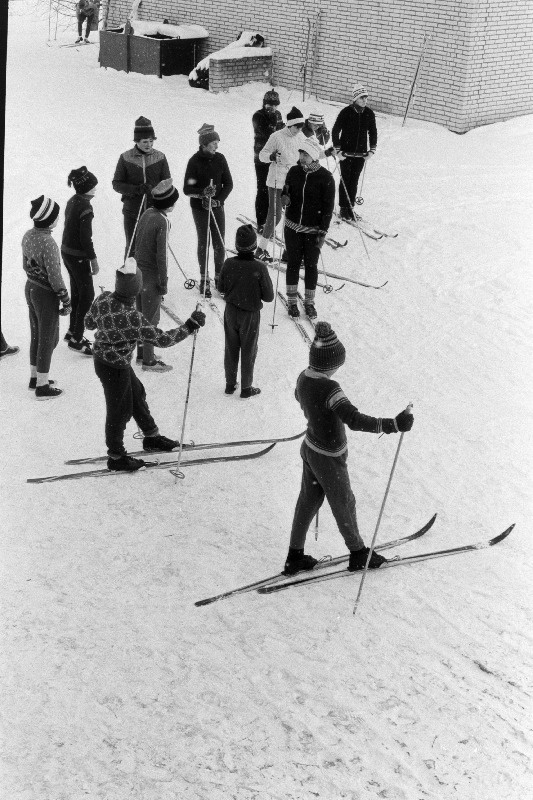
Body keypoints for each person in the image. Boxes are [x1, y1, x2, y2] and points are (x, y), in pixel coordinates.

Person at [283, 321, 414, 575]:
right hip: (328, 457)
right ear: (331, 363)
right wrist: (393, 424)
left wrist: (315, 415)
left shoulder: (303, 377)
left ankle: (294, 555)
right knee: (343, 501)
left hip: (310, 447)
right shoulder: (330, 388)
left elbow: (299, 398)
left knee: (307, 502)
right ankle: (358, 553)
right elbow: (353, 419)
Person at [84, 258, 206, 472]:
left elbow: (88, 323)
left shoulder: (103, 299)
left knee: (136, 393)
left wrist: (101, 313)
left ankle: (151, 436)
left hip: (105, 361)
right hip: (115, 366)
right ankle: (116, 456)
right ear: (137, 289)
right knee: (119, 410)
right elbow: (163, 340)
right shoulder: (133, 318)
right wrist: (190, 325)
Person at [22, 196, 71, 400]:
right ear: (50, 220)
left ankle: (35, 377)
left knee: (36, 333)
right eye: (56, 216)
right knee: (47, 338)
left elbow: (26, 264)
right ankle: (42, 386)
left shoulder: (27, 236)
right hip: (45, 293)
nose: (58, 219)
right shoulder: (48, 242)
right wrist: (65, 298)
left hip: (31, 287)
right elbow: (55, 276)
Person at [281, 138, 335, 319]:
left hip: (313, 231)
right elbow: (285, 190)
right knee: (293, 263)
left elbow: (328, 208)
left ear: (313, 156)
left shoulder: (326, 178)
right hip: (292, 227)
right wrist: (284, 197)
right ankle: (292, 302)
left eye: (305, 154)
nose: (301, 157)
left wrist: (323, 231)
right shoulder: (294, 171)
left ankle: (309, 302)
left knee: (311, 265)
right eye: (300, 153)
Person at [218, 224, 274, 399]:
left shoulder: (228, 263)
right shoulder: (259, 268)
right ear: (254, 246)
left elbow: (220, 288)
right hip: (250, 314)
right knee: (249, 350)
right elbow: (269, 297)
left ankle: (229, 383)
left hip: (230, 311)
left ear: (236, 245)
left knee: (231, 347)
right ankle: (246, 387)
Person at [134, 178, 179, 372]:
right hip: (151, 275)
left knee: (140, 316)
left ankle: (142, 353)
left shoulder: (147, 213)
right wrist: (164, 281)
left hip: (137, 273)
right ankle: (149, 361)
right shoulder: (162, 221)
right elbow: (162, 255)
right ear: (168, 203)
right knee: (151, 319)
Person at [183, 123, 233, 298]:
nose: (216, 147)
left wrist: (218, 201)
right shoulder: (194, 161)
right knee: (204, 242)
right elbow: (187, 188)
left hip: (217, 207)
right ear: (204, 145)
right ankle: (204, 279)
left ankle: (219, 277)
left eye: (217, 143)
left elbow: (229, 184)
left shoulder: (220, 159)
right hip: (200, 208)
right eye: (213, 144)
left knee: (219, 241)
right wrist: (202, 193)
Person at [112, 116, 171, 258]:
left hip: (154, 210)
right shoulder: (126, 158)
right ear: (137, 141)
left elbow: (167, 182)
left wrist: (159, 195)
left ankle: (151, 278)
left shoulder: (160, 157)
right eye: (145, 141)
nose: (149, 145)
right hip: (132, 211)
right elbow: (117, 184)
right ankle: (130, 278)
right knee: (132, 246)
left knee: (153, 247)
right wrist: (136, 189)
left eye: (151, 141)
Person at [256, 106, 306, 261]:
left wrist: (328, 152)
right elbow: (261, 155)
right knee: (275, 215)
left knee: (292, 217)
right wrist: (271, 156)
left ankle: (287, 251)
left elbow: (311, 151)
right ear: (290, 125)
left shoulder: (300, 136)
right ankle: (261, 248)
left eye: (300, 128)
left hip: (292, 181)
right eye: (296, 128)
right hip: (276, 180)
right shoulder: (276, 136)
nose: (298, 130)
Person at [61, 166, 99, 356]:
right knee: (87, 294)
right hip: (78, 256)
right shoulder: (86, 207)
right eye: (93, 186)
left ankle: (71, 331)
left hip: (66, 252)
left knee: (77, 292)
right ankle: (77, 338)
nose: (95, 188)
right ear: (86, 189)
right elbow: (86, 238)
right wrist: (93, 259)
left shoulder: (73, 201)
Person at [331, 85, 377, 220]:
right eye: (362, 97)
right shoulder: (346, 112)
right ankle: (343, 209)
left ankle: (350, 208)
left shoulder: (369, 113)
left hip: (361, 155)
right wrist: (338, 150)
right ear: (355, 98)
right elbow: (335, 130)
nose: (364, 100)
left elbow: (373, 132)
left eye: (366, 97)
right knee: (345, 180)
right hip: (346, 154)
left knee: (354, 181)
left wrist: (372, 150)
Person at [252, 89, 284, 232]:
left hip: (276, 158)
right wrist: (273, 120)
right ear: (264, 104)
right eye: (269, 104)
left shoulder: (278, 115)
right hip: (261, 158)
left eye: (275, 105)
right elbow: (268, 133)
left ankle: (271, 220)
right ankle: (261, 221)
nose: (272, 107)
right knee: (263, 189)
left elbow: (282, 132)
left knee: (274, 189)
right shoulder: (258, 116)